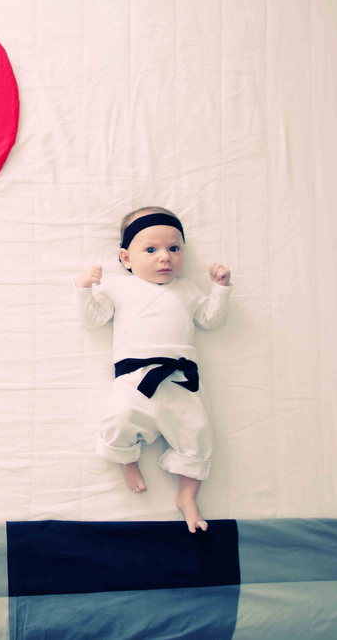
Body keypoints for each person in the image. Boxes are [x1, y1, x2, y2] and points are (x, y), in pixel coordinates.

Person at [75, 207, 232, 533]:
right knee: (118, 420)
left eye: (174, 248)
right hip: (133, 378)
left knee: (198, 431)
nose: (165, 257)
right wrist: (84, 289)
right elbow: (93, 319)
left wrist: (220, 289)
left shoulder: (187, 289)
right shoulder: (120, 288)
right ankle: (128, 461)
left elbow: (209, 319)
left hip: (180, 380)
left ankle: (187, 496)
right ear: (126, 258)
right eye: (151, 249)